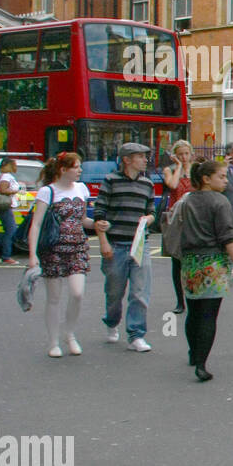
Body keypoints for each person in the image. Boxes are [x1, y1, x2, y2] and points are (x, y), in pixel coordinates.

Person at [27, 153, 109, 357]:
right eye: (76, 167)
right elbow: (35, 225)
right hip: (53, 249)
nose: (80, 170)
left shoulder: (82, 189)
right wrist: (32, 255)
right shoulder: (48, 192)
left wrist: (97, 224)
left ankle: (69, 334)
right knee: (53, 298)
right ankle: (53, 342)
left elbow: (83, 220)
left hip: (77, 248)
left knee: (77, 293)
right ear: (63, 170)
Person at [177, 160, 233, 382]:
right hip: (212, 262)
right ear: (206, 179)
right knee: (209, 315)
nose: (226, 181)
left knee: (193, 311)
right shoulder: (220, 202)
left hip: (189, 262)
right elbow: (227, 236)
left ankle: (193, 352)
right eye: (222, 177)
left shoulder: (187, 200)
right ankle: (202, 364)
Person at [93, 142, 157, 352]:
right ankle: (112, 322)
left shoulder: (147, 184)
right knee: (114, 292)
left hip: (140, 244)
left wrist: (149, 218)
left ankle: (136, 335)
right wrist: (103, 241)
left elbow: (151, 211)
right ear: (127, 160)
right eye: (140, 156)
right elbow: (100, 214)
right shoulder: (111, 181)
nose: (145, 160)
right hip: (116, 244)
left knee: (140, 292)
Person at [161, 139, 195, 314]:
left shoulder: (196, 170)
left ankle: (192, 298)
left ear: (191, 154)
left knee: (192, 260)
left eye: (186, 153)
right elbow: (173, 185)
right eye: (180, 154)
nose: (184, 157)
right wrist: (179, 167)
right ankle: (180, 301)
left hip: (193, 218)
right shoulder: (170, 170)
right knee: (177, 261)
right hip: (175, 218)